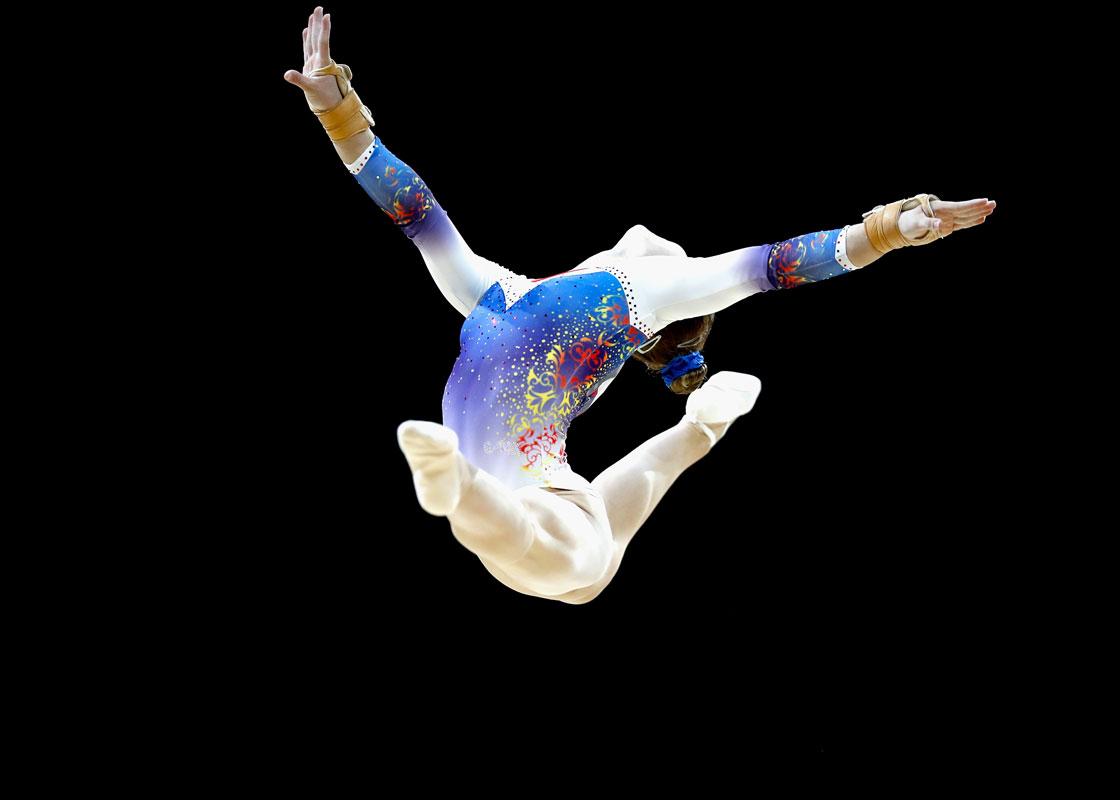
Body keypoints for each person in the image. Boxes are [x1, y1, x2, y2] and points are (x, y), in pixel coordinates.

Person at [284, 7, 997, 604]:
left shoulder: (638, 295)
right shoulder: (499, 291)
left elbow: (772, 266)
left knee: (567, 561)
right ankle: (697, 431)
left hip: (511, 497)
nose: (652, 237)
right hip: (542, 492)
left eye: (673, 253)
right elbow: (417, 214)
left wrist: (889, 229)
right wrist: (338, 114)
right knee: (586, 563)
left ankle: (455, 484)